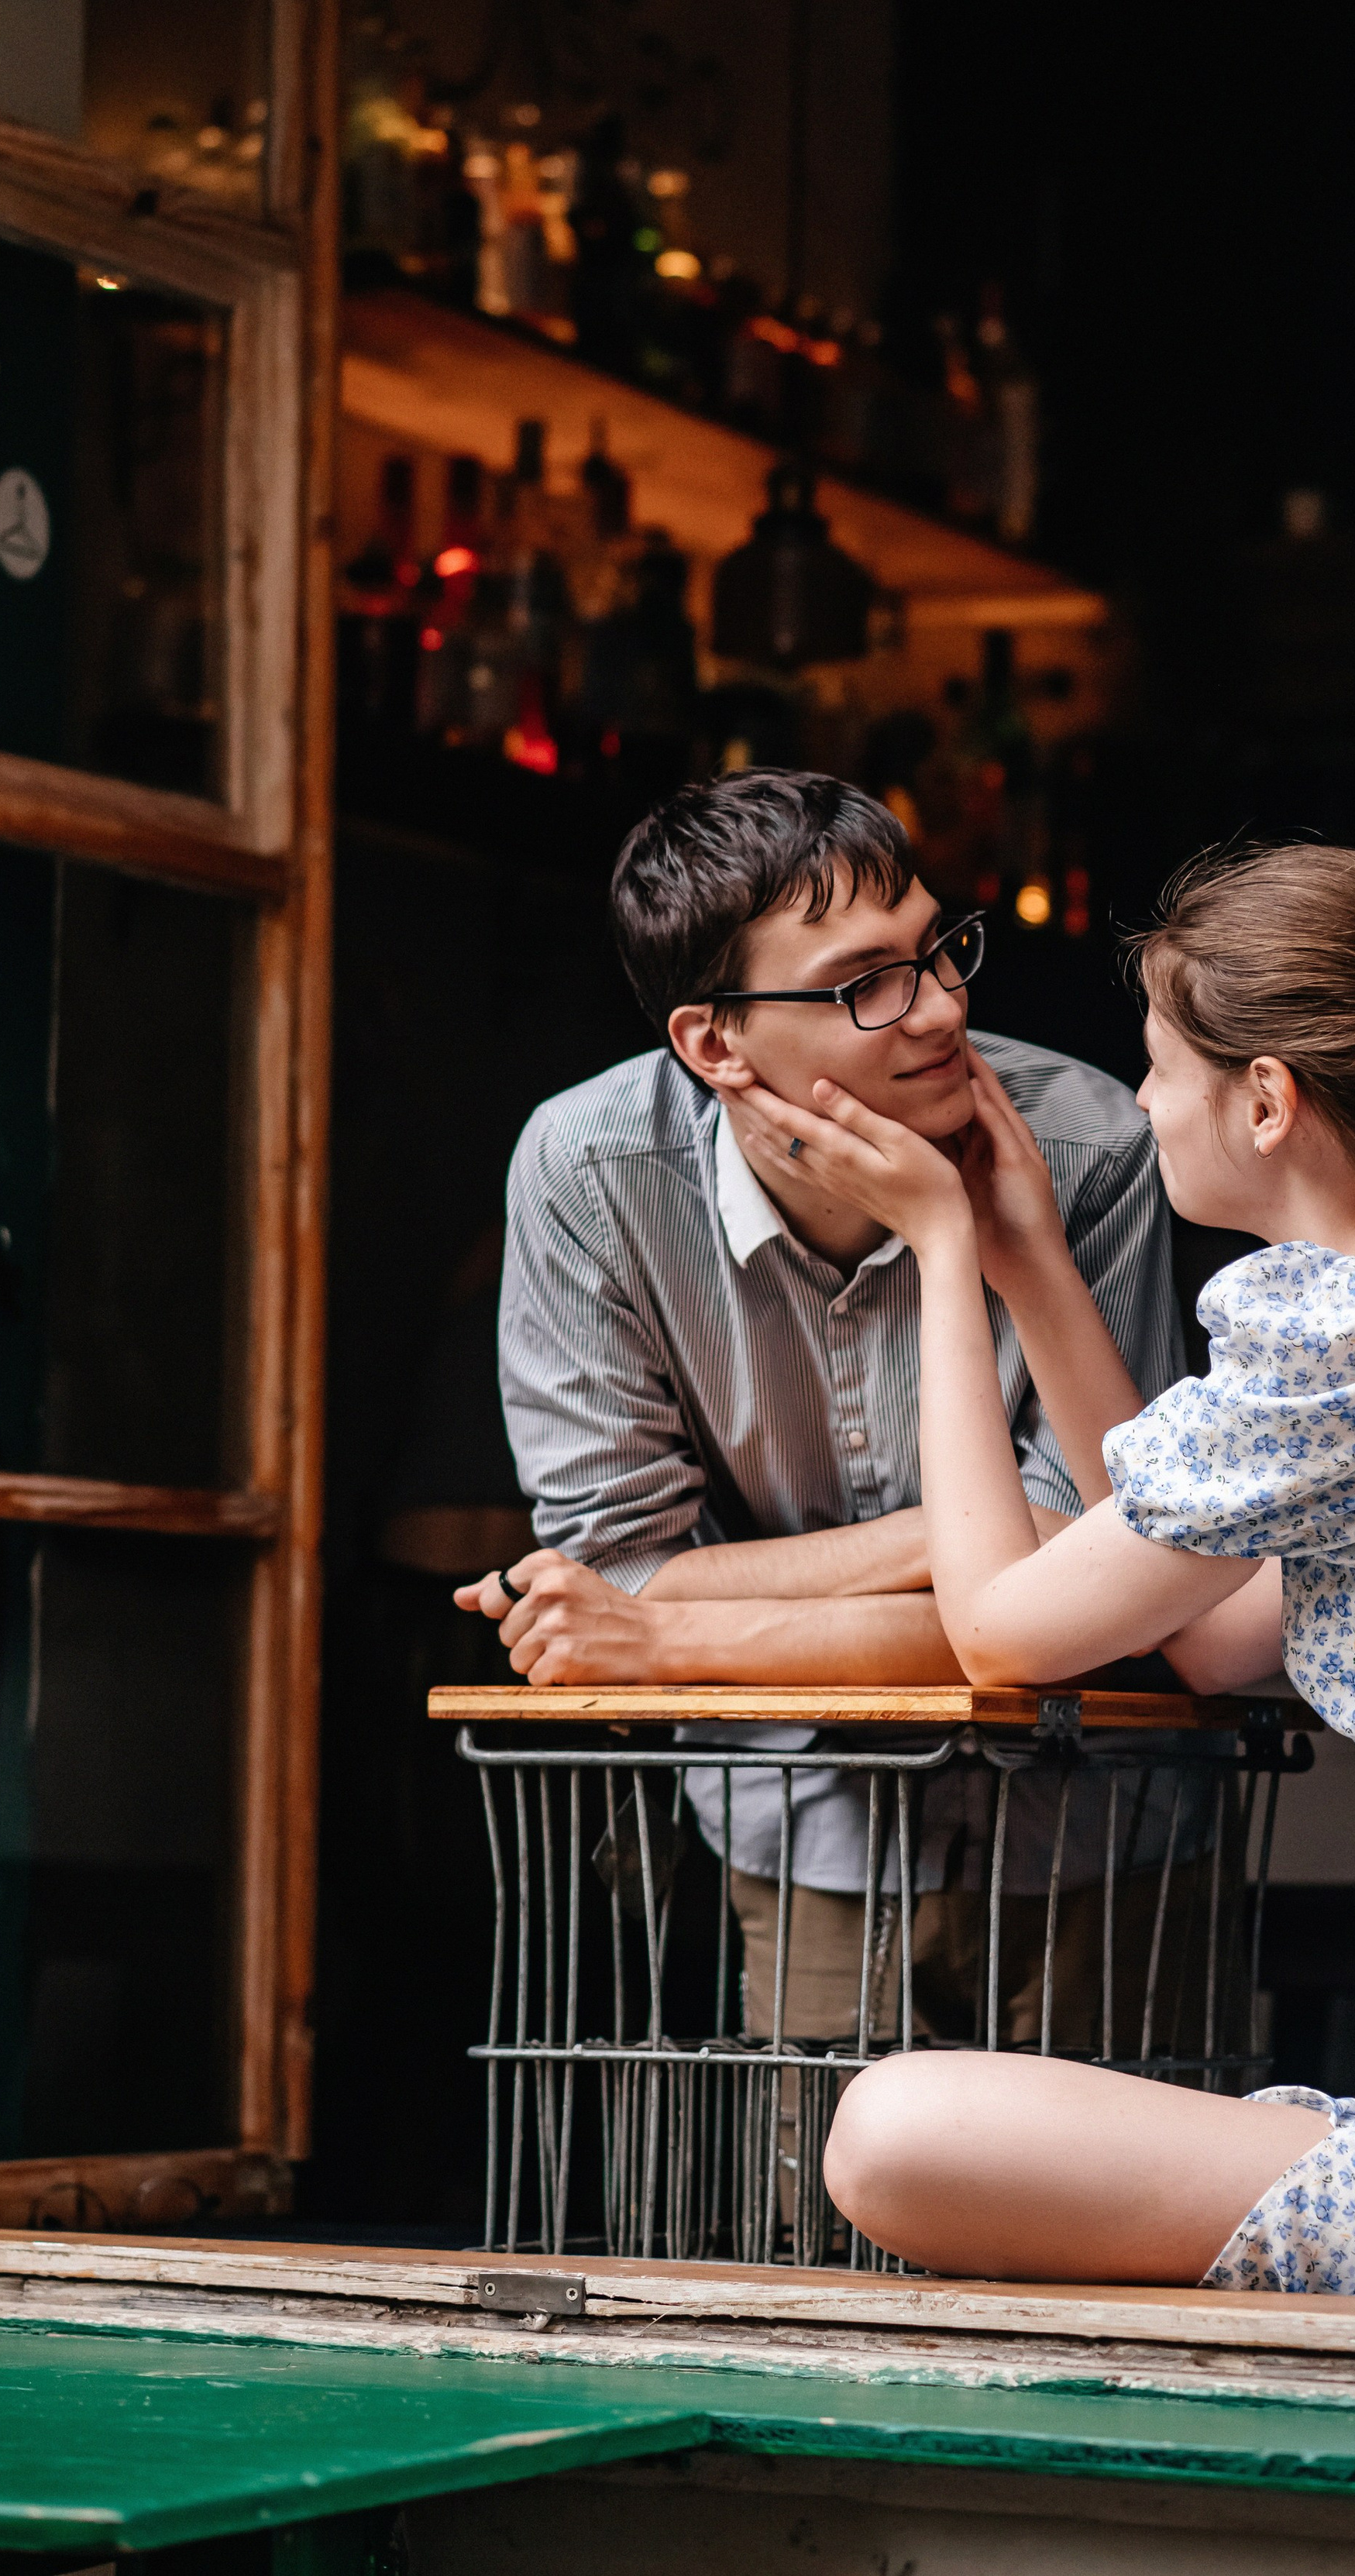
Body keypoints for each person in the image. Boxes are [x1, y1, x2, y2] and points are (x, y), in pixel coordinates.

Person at [727, 841, 1355, 2298]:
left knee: (888, 2132)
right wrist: (1032, 1264)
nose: (1140, 1105)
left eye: (1159, 1067)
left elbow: (1001, 1633)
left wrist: (938, 1250)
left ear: (1265, 1100)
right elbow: (1213, 1631)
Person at [456, 767, 1191, 2055]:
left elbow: (1092, 1587)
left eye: (937, 951)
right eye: (867, 985)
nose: (941, 1010)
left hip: (1100, 1816)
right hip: (801, 1817)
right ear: (714, 1042)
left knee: (1114, 2244)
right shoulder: (589, 1175)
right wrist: (969, 1544)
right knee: (822, 2238)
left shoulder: (1082, 1144)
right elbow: (628, 1566)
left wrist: (680, 1628)